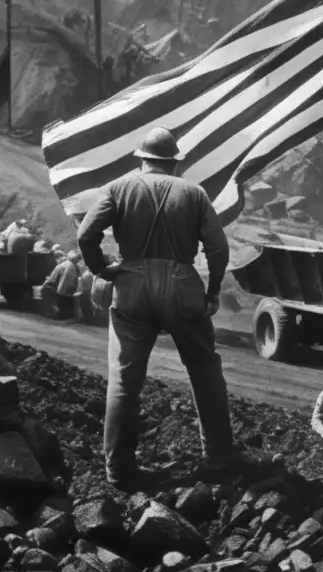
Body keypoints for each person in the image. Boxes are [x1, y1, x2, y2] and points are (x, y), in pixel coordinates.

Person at [77, 127, 256, 490]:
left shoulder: (119, 188)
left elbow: (85, 235)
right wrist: (212, 290)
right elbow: (218, 249)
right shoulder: (194, 193)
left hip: (130, 285)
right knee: (205, 370)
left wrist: (101, 269)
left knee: (124, 379)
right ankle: (218, 457)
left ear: (141, 159)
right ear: (174, 163)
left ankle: (119, 471)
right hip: (182, 284)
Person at [41, 250, 82, 321]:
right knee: (65, 300)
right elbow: (64, 282)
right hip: (53, 288)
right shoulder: (69, 267)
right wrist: (61, 294)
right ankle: (60, 314)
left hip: (52, 287)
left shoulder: (68, 264)